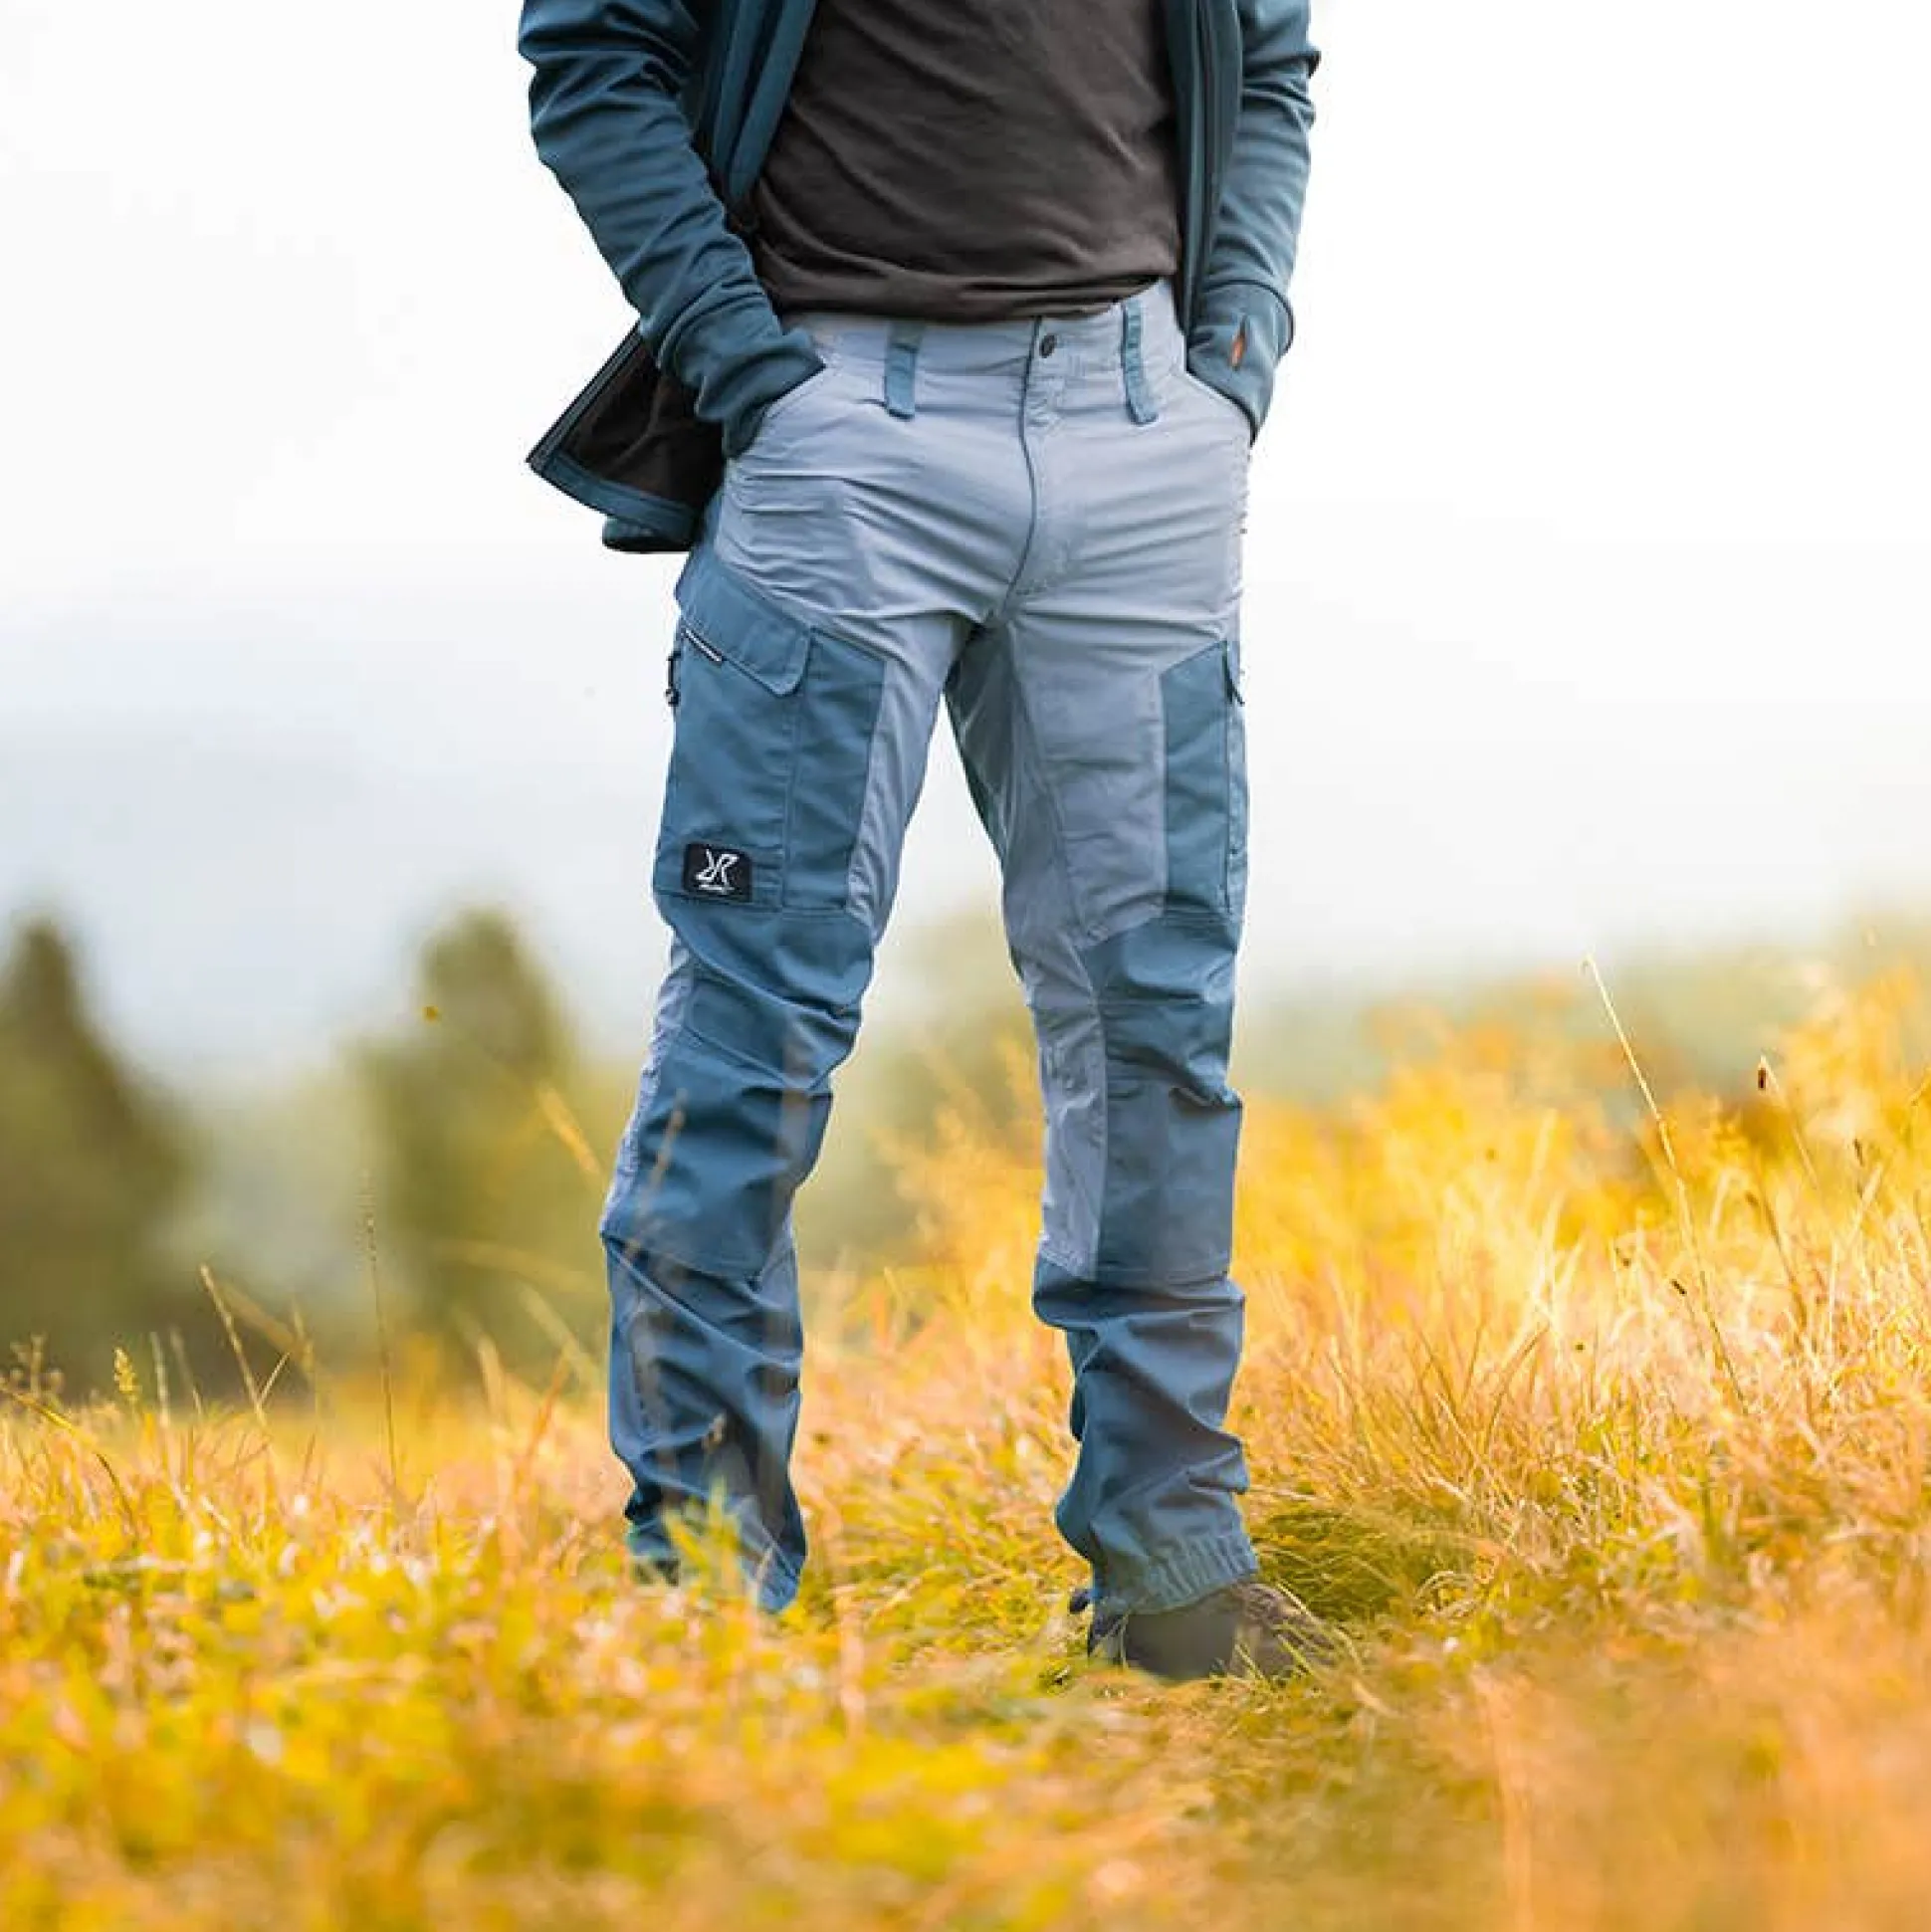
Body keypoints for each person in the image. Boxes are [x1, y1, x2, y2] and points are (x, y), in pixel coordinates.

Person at [517, 0, 1323, 1680]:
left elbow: (1268, 62)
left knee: (1155, 1024)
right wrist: (747, 368)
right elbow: (594, 59)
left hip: (1143, 429)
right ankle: (708, 1603)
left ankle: (1177, 1579)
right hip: (841, 443)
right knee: (755, 1029)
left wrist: (1234, 355)